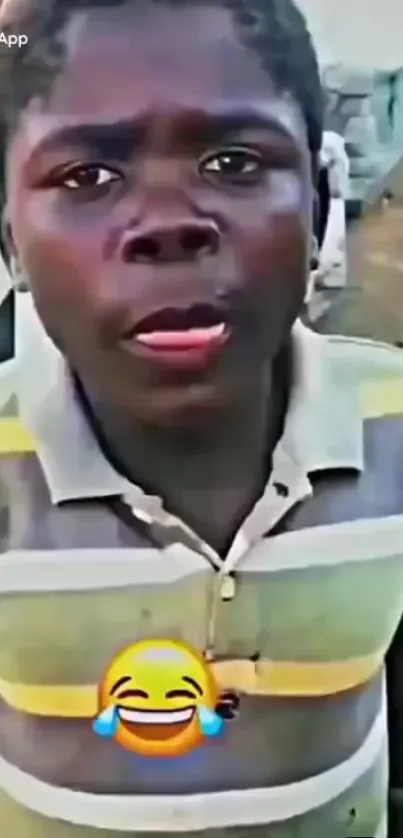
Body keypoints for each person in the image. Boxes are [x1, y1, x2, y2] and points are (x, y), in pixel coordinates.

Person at [1, 0, 403, 836]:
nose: (168, 224)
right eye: (87, 177)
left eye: (233, 160)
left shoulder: (394, 424)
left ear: (324, 196)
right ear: (9, 240)